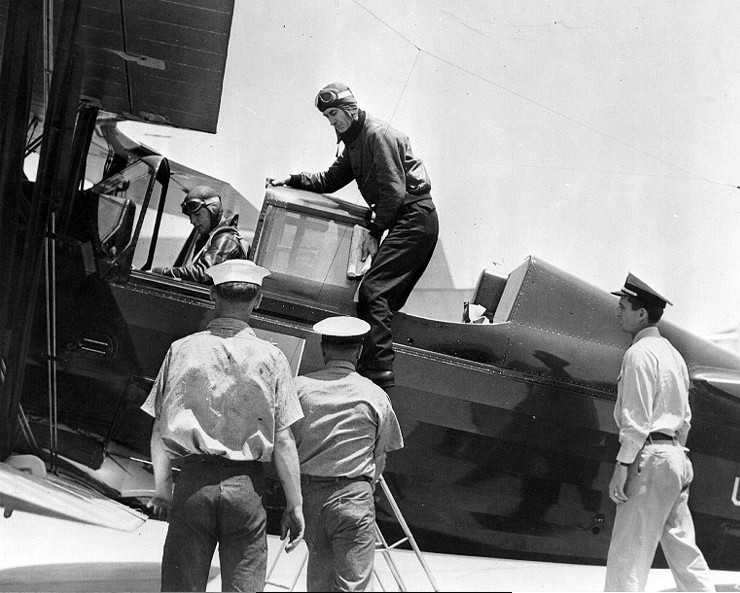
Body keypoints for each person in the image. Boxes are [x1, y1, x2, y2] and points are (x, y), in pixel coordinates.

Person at [141, 259, 305, 593]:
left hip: (193, 485)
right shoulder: (273, 358)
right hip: (246, 488)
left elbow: (159, 430)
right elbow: (284, 441)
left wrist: (162, 489)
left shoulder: (181, 349)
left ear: (213, 295)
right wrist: (295, 504)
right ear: (257, 300)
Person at [268, 82, 439, 389]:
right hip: (408, 220)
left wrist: (374, 232)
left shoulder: (375, 135)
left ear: (348, 109)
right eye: (328, 117)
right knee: (379, 299)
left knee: (374, 292)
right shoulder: (354, 144)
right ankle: (371, 365)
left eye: (334, 114)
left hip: (414, 218)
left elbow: (393, 192)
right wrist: (292, 179)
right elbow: (329, 180)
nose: (332, 122)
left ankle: (378, 376)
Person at [604, 273, 714, 592]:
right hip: (677, 458)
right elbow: (686, 419)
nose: (618, 312)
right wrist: (672, 456)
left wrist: (622, 467)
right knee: (684, 552)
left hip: (649, 458)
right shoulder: (673, 355)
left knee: (628, 556)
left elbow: (636, 421)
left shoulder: (638, 354)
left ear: (641, 313)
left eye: (623, 306)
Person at [291, 315, 404, 591]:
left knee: (318, 578)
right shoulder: (375, 395)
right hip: (354, 496)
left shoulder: (300, 388)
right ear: (359, 351)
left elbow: (285, 446)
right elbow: (381, 454)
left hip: (310, 499)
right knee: (353, 585)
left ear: (323, 349)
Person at [152, 185, 248, 283]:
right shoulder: (209, 238)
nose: (192, 221)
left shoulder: (226, 239)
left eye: (198, 215)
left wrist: (159, 272)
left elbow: (203, 273)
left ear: (213, 211)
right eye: (190, 216)